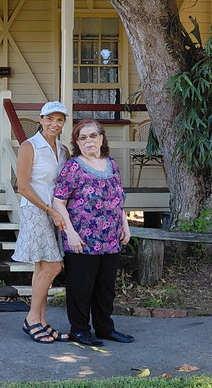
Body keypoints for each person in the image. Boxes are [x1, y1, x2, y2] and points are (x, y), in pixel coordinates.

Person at [51, 119, 134, 347]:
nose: (89, 141)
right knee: (81, 287)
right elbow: (59, 202)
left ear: (102, 138)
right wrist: (70, 233)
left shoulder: (112, 164)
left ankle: (105, 328)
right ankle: (79, 330)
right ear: (77, 143)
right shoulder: (73, 167)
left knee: (105, 288)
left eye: (93, 135)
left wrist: (125, 224)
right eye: (83, 137)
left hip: (111, 237)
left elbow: (118, 198)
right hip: (82, 238)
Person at [13, 100, 70, 343]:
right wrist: (49, 210)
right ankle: (31, 319)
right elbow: (23, 187)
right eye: (49, 119)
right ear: (41, 120)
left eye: (59, 120)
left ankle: (42, 321)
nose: (54, 124)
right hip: (36, 211)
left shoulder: (63, 150)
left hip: (54, 211)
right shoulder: (29, 146)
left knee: (42, 268)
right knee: (53, 267)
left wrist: (59, 211)